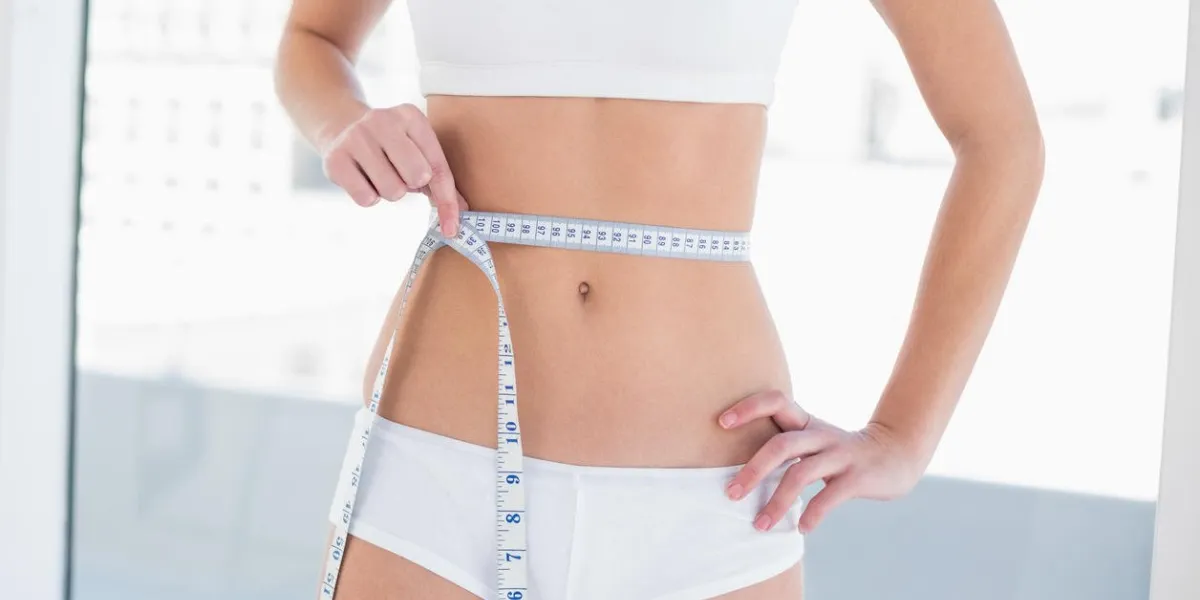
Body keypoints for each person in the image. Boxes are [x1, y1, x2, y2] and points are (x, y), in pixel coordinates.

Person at [273, 0, 1044, 597]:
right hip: (435, 470)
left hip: (712, 502)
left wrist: (902, 436)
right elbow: (314, 39)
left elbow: (1001, 140)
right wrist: (342, 123)